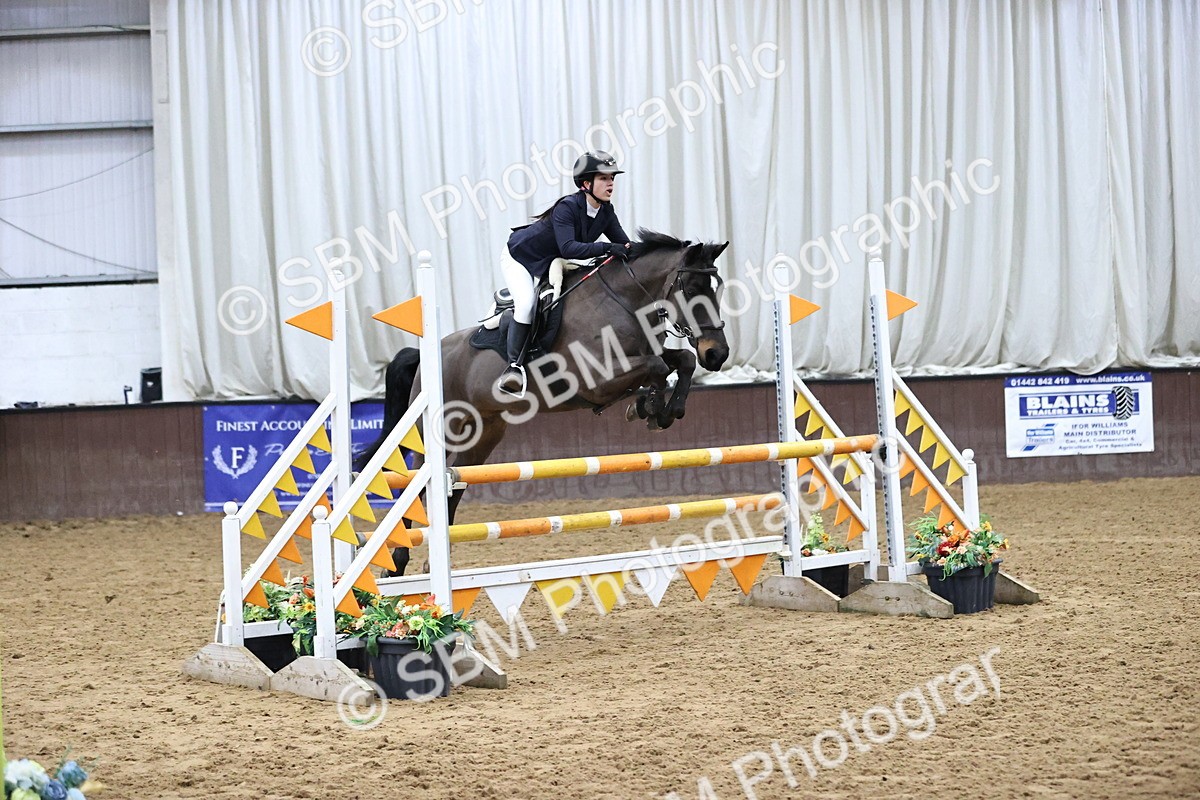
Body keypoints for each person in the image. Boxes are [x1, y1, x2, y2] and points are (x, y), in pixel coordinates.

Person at [498, 150, 633, 395]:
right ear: (586, 183)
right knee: (527, 303)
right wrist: (607, 247)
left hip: (550, 260)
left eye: (612, 177)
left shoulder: (606, 212)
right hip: (520, 256)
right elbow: (569, 248)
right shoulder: (568, 207)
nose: (611, 182)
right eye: (603, 178)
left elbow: (624, 245)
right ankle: (514, 368)